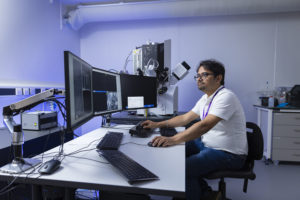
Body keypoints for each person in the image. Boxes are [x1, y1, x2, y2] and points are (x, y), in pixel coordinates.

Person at [141, 59, 248, 200]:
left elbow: (205, 125)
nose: (199, 79)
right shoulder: (206, 98)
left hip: (228, 153)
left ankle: (197, 194)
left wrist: (173, 139)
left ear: (218, 78)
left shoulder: (226, 97)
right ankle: (205, 193)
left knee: (184, 169)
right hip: (206, 144)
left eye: (204, 75)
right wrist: (157, 124)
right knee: (174, 153)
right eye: (197, 76)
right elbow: (185, 118)